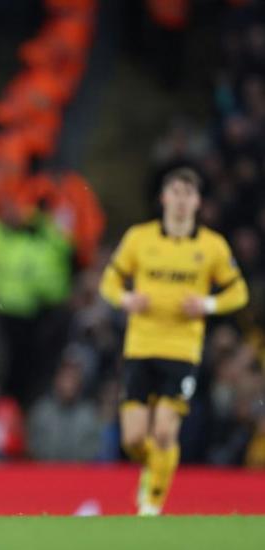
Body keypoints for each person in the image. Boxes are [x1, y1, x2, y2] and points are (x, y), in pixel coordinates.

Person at [99, 167, 249, 515]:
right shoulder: (140, 238)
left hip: (182, 350)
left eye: (188, 194)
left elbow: (238, 290)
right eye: (175, 193)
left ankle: (151, 503)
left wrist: (208, 304)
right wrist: (126, 300)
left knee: (165, 431)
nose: (181, 201)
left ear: (197, 202)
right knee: (133, 438)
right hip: (139, 346)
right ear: (164, 198)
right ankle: (157, 466)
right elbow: (110, 279)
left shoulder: (211, 246)